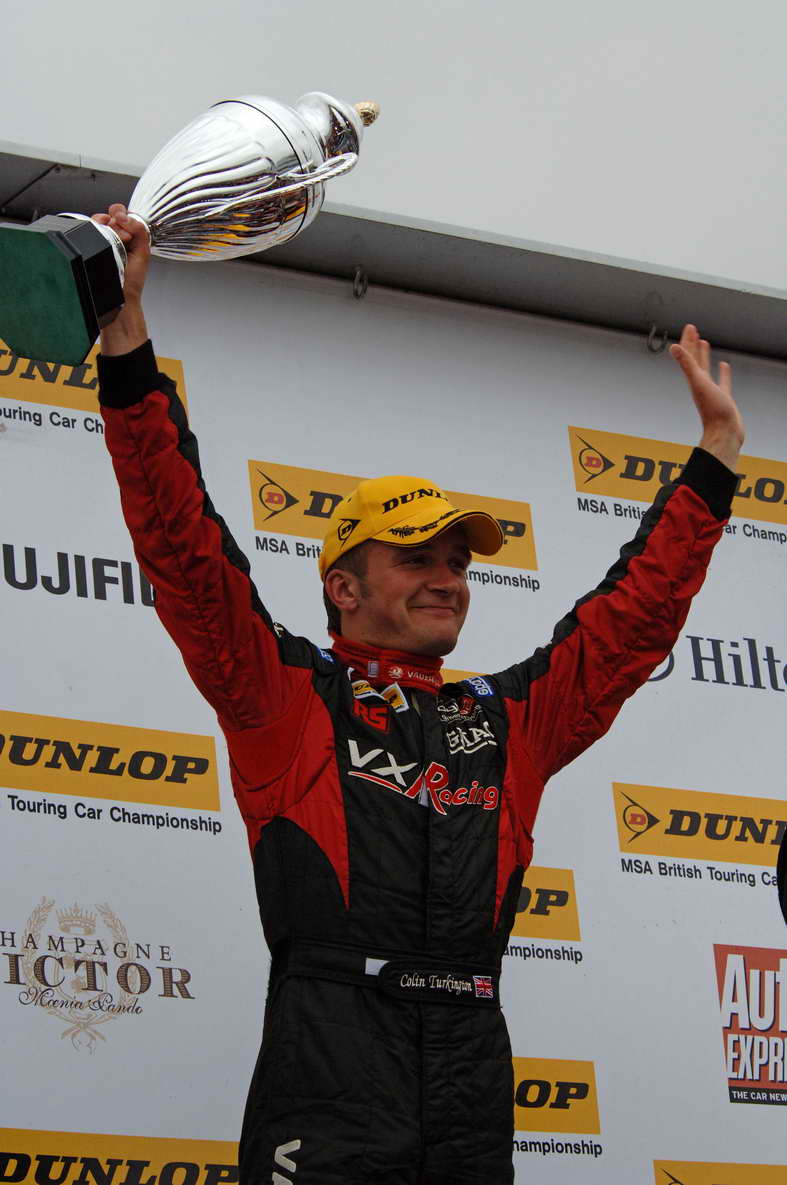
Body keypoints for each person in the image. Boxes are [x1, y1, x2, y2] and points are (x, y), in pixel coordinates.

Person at [94, 204, 743, 1185]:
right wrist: (126, 340)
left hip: (470, 1068)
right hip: (330, 1059)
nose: (447, 579)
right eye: (415, 559)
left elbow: (631, 622)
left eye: (457, 562)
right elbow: (183, 547)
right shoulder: (286, 697)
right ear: (343, 588)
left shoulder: (507, 720)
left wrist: (716, 456)